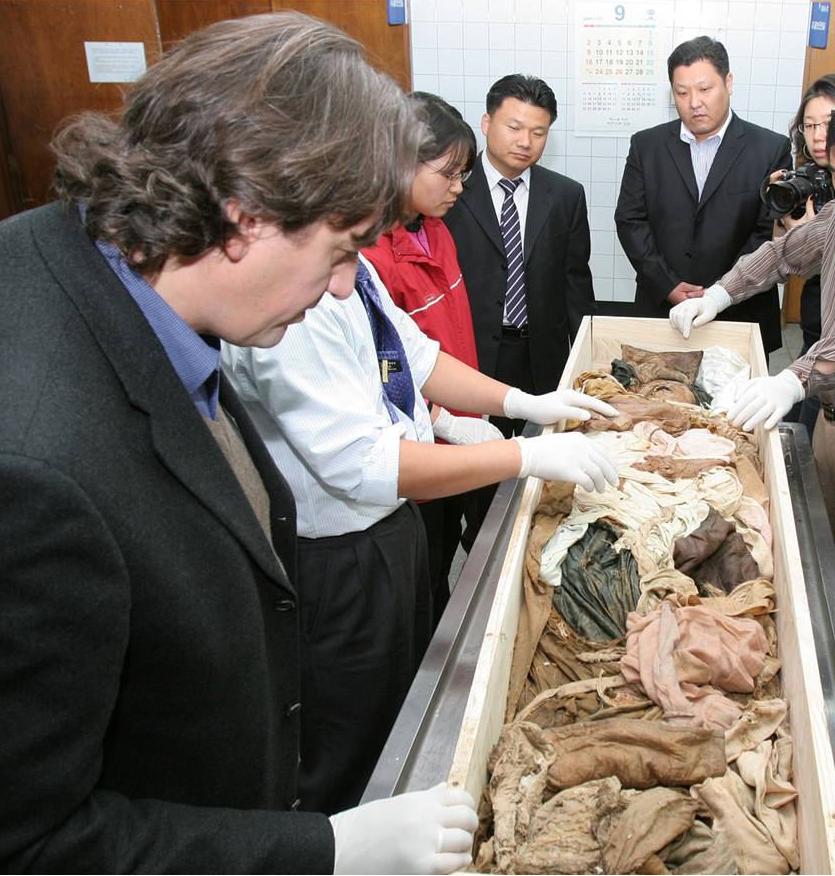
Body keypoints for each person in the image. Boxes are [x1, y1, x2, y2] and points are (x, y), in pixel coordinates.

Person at [0, 13, 478, 874]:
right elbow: (14, 844)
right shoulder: (23, 474)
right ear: (244, 215)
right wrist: (324, 849)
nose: (344, 288)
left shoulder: (71, 248)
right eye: (340, 252)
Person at [222, 227, 617, 815]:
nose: (348, 272)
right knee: (352, 740)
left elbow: (416, 356)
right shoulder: (293, 303)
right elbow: (364, 466)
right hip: (336, 558)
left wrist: (520, 403)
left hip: (392, 525)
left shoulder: (352, 268)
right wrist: (521, 455)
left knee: (401, 708)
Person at [669, 94, 835, 631]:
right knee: (819, 555)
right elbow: (781, 255)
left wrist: (792, 378)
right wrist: (718, 294)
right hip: (829, 424)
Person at [361, 91, 495, 626]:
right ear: (401, 162)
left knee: (465, 545)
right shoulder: (368, 259)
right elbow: (387, 367)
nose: (459, 187)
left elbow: (436, 346)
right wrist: (442, 420)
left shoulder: (437, 230)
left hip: (460, 416)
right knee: (427, 567)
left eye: (464, 174)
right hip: (419, 443)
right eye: (449, 173)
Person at [615, 36, 791, 354]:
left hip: (740, 308)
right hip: (663, 306)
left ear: (728, 82)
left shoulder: (770, 149)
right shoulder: (646, 146)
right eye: (682, 93)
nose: (694, 102)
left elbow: (766, 233)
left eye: (705, 89)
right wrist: (667, 284)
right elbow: (631, 221)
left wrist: (720, 293)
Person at [444, 74, 596, 439]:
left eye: (539, 132)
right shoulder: (451, 191)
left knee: (541, 454)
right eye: (514, 127)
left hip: (541, 355)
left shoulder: (565, 195)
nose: (525, 141)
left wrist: (585, 361)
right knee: (476, 457)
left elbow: (576, 286)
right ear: (486, 123)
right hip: (471, 356)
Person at [777, 73, 835, 430]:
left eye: (828, 124)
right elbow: (781, 254)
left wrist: (815, 238)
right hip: (816, 324)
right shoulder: (809, 178)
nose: (817, 136)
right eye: (809, 125)